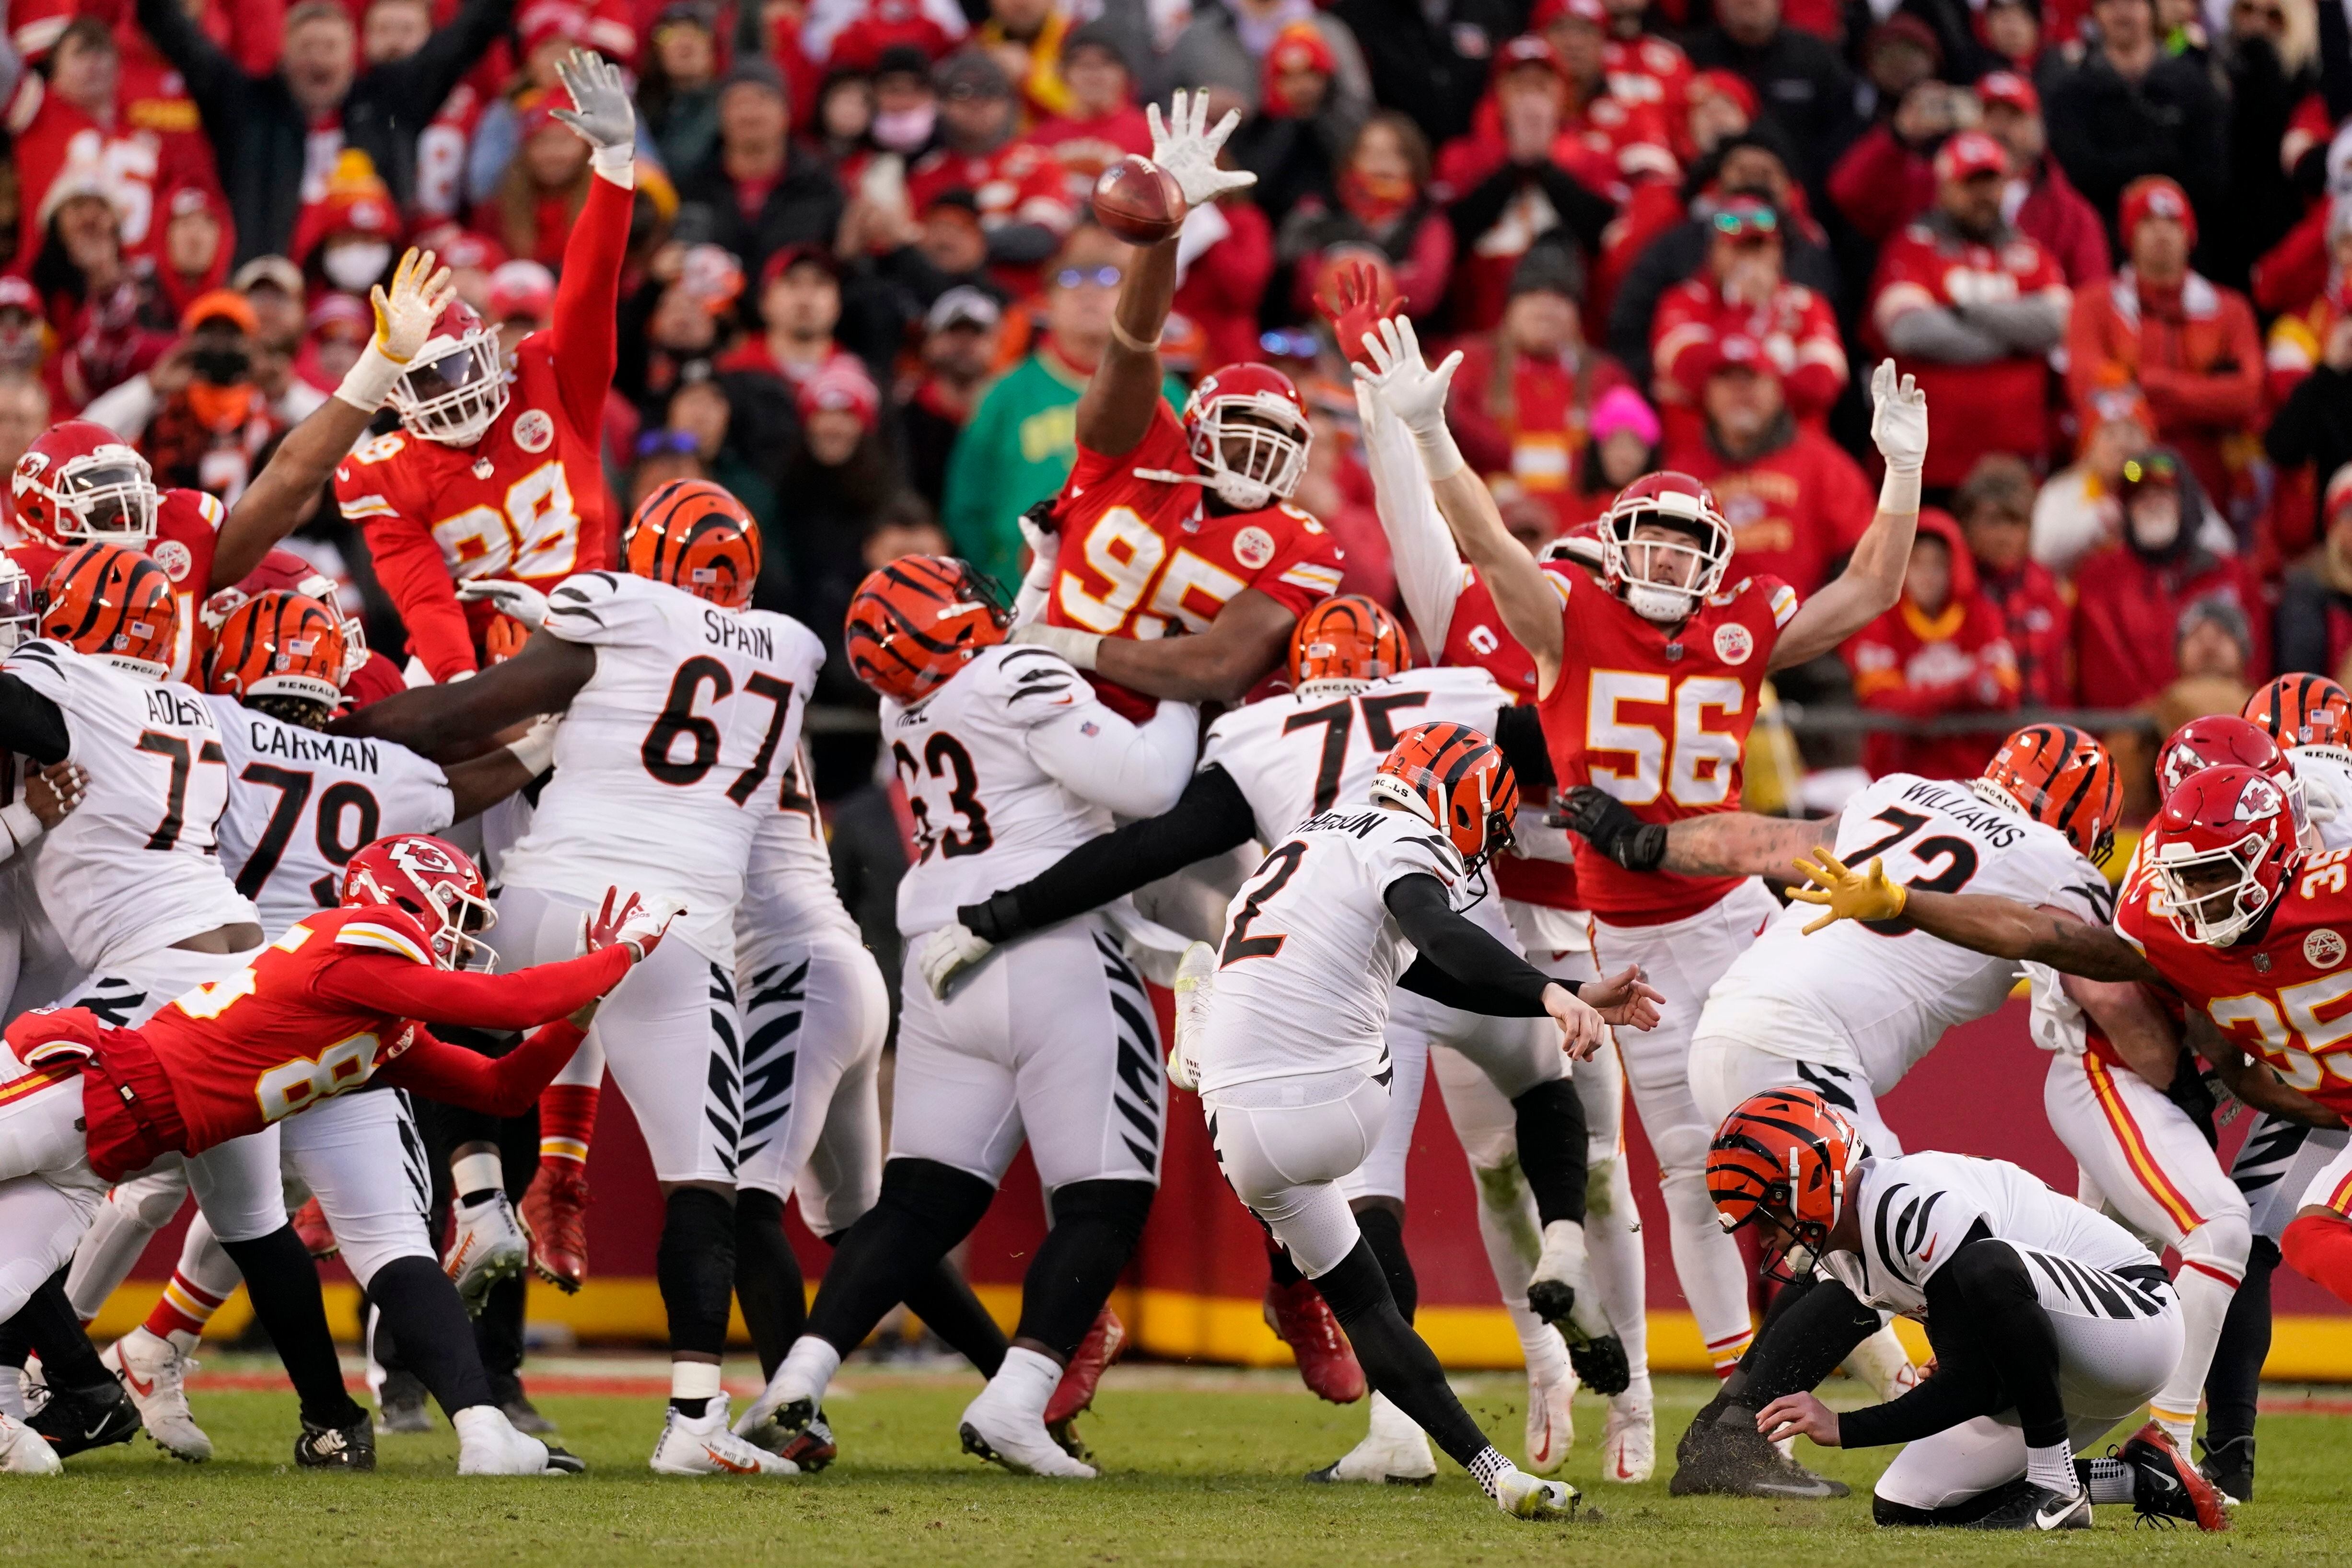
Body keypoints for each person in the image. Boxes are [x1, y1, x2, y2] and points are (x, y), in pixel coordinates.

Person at [1352, 306, 1928, 1412]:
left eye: (1685, 539)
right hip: (1628, 932)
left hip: (1741, 921)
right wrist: (1429, 439)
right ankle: (1730, 1397)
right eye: (1648, 535)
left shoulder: (1737, 626)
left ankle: (1895, 1340)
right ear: (1612, 545)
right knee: (1684, 1169)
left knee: (1829, 1121)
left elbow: (1868, 590)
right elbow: (1484, 546)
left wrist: (1897, 470)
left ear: (1712, 559)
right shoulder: (1565, 624)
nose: (1666, 554)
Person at [923, 596, 1637, 1481]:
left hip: (1331, 1005)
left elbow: (1147, 849)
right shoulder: (1452, 699)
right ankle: (1561, 1231)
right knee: (1541, 1092)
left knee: (1369, 1213)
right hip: (1455, 955)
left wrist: (1003, 913)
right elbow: (1583, 740)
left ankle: (1396, 1432)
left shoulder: (1265, 734)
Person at [334, 480, 827, 1476]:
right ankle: (693, 1418)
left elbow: (463, 713)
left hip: (543, 891)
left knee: (448, 1030)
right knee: (702, 1181)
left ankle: (477, 1199)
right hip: (671, 922)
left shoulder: (617, 602)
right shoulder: (797, 646)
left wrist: (335, 738)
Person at [0, 828, 670, 1476]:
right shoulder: (352, 940)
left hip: (104, 1157)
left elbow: (505, 1087)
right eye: (459, 911)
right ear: (405, 898)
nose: (467, 936)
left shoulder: (382, 1030)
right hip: (76, 1093)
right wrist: (625, 952)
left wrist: (589, 1000)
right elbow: (508, 1002)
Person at [730, 553, 1198, 1477]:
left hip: (943, 965)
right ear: (958, 621)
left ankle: (799, 1375)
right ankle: (1017, 1399)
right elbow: (1148, 787)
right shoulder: (1015, 674)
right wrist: (1186, 691)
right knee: (1107, 1194)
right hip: (1054, 948)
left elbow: (989, 668)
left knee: (917, 1203)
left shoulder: (904, 704)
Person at [1568, 724, 2129, 1493]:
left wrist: (1641, 842)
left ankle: (1734, 1433)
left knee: (1871, 1242)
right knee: (1893, 1235)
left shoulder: (1900, 793)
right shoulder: (2054, 862)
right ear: (2086, 827)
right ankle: (1730, 1440)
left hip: (1735, 1014)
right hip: (1801, 1039)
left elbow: (1759, 841)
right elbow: (2103, 984)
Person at [75, 591, 554, 1465]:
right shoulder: (387, 768)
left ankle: (67, 1369)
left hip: (228, 996)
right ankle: (474, 1428)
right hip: (347, 1014)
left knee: (167, 1194)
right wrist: (542, 741)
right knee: (350, 1227)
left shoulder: (206, 718)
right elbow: (460, 786)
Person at [1712, 1090, 2215, 1529]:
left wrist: (1843, 1427)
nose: (1765, 1235)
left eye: (1766, 1213)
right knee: (1907, 1503)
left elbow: (1972, 1377)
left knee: (1985, 1265)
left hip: (2132, 1324)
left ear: (1809, 1181)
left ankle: (2054, 1485)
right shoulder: (1847, 1250)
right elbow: (1976, 1369)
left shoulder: (1907, 1205)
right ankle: (2135, 1478)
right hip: (2057, 1362)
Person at [1004, 93, 1347, 714]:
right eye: (1241, 433)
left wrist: (1072, 646)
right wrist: (1165, 230)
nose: (1256, 456)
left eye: (1276, 443)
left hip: (1150, 724)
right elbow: (1133, 344)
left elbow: (1219, 668)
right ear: (1195, 429)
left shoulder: (1300, 543)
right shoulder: (1142, 445)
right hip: (1041, 688)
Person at [331, 50, 632, 685]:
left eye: (461, 366)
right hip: (471, 656)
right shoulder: (382, 474)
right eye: (429, 379)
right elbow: (425, 600)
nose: (452, 391)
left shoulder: (549, 377)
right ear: (396, 392)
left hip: (589, 634)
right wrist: (463, 689)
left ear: (489, 351)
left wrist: (612, 169)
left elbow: (588, 286)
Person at [132, 0, 520, 263]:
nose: (318, 58)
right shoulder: (248, 109)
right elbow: (173, 32)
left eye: (330, 47)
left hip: (375, 298)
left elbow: (470, 34)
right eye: (307, 47)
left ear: (352, 54)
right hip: (273, 286)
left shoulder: (390, 102)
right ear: (284, 55)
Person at [1867, 130, 2070, 493]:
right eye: (1969, 184)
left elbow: (2058, 323)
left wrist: (1963, 310)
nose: (1982, 196)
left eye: (1990, 183)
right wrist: (2016, 340)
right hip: (1929, 467)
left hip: (2018, 464)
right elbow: (1911, 331)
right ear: (1944, 188)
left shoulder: (2031, 254)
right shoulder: (1911, 247)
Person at [2065, 177, 2262, 511]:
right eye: (2147, 222)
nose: (2161, 233)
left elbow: (2247, 394)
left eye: (2172, 222)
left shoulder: (2229, 309)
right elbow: (2089, 389)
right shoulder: (2094, 304)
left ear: (2190, 234)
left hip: (2212, 471)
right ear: (2129, 235)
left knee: (2213, 552)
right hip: (2124, 468)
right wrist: (2204, 396)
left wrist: (2154, 386)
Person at [1660, 335, 1875, 600]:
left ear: (1778, 388)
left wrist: (1820, 629)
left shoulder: (1829, 470)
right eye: (1727, 380)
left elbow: (1861, 563)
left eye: (1751, 379)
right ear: (1707, 393)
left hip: (1802, 634)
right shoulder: (1679, 477)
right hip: (1702, 635)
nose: (1740, 393)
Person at [1446, 245, 1630, 532]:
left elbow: (1630, 454)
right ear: (1510, 307)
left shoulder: (1604, 377)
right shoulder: (1471, 362)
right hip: (1485, 522)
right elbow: (1446, 429)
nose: (1546, 309)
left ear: (1578, 315)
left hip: (1581, 530)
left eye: (1560, 298)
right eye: (1533, 295)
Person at [1649, 194, 1844, 452]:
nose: (1750, 261)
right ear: (1713, 252)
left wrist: (1724, 384)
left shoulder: (1807, 304)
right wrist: (1743, 310)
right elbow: (1690, 371)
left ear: (1778, 253)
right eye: (1739, 248)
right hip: (1703, 462)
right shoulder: (1683, 301)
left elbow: (1823, 383)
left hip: (1793, 462)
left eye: (1759, 248)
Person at [2072, 450, 2264, 709]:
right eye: (2140, 497)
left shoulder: (2233, 574)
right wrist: (2164, 718)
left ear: (2187, 502)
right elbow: (2104, 677)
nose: (2151, 503)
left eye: (2163, 494)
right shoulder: (2098, 581)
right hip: (2138, 736)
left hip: (2223, 728)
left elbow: (2257, 665)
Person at [1844, 511, 2022, 781]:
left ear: (1956, 566)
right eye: (1916, 563)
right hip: (1897, 779)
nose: (1927, 576)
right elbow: (1880, 701)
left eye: (1938, 564)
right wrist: (1962, 689)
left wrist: (1919, 699)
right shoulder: (1880, 617)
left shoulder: (1981, 614)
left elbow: (2006, 693)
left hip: (1972, 778)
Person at [2042, 0, 2228, 233]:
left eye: (2132, 2)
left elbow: (2210, 174)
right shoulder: (2072, 91)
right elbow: (2077, 174)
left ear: (2151, 10)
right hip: (2101, 233)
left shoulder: (2193, 87)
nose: (2122, 12)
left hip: (2181, 235)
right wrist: (2157, 163)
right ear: (2096, 12)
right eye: (2111, 3)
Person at [670, 57, 846, 284]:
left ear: (786, 112)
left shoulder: (821, 186)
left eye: (762, 100)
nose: (750, 114)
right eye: (738, 102)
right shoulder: (694, 186)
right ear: (721, 115)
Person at [1681, 0, 1857, 191]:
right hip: (1711, 193)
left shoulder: (1815, 56)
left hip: (1803, 194)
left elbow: (1844, 132)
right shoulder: (1690, 57)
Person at [1956, 455, 2073, 707]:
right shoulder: (1953, 588)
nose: (2004, 536)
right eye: (1993, 522)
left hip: (2044, 734)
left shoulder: (2049, 590)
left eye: (2015, 522)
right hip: (1975, 737)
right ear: (1967, 525)